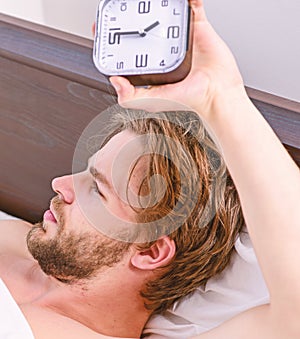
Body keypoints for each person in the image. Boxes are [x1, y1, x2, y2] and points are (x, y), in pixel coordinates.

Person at [109, 0, 300, 338]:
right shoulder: (18, 244)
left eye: (98, 189)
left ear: (152, 251)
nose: (58, 184)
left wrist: (221, 98)